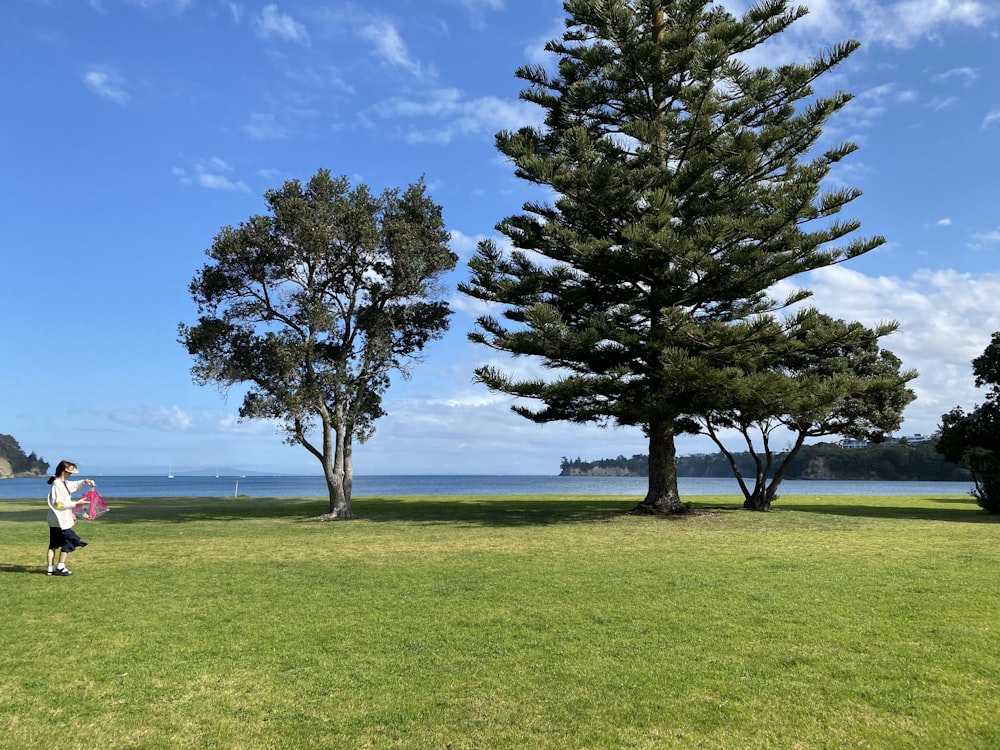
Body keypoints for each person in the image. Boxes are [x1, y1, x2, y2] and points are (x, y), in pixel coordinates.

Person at [46, 460, 96, 576]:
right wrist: (76, 503)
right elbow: (58, 504)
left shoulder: (61, 483)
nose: (71, 475)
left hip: (55, 520)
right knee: (68, 542)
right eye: (70, 472)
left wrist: (85, 481)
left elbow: (74, 485)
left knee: (53, 544)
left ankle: (50, 568)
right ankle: (60, 566)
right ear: (64, 471)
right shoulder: (58, 484)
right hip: (61, 520)